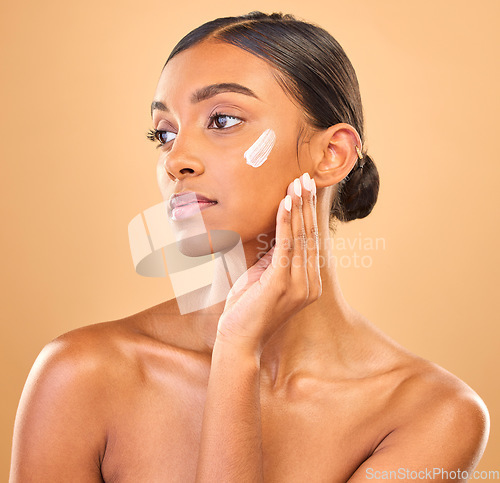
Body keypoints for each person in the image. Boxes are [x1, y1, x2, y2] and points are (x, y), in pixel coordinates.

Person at [10, 11, 489, 482]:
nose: (175, 160)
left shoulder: (430, 414)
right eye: (165, 133)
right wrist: (236, 349)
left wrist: (238, 352)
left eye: (221, 119)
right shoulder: (83, 375)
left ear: (331, 154)